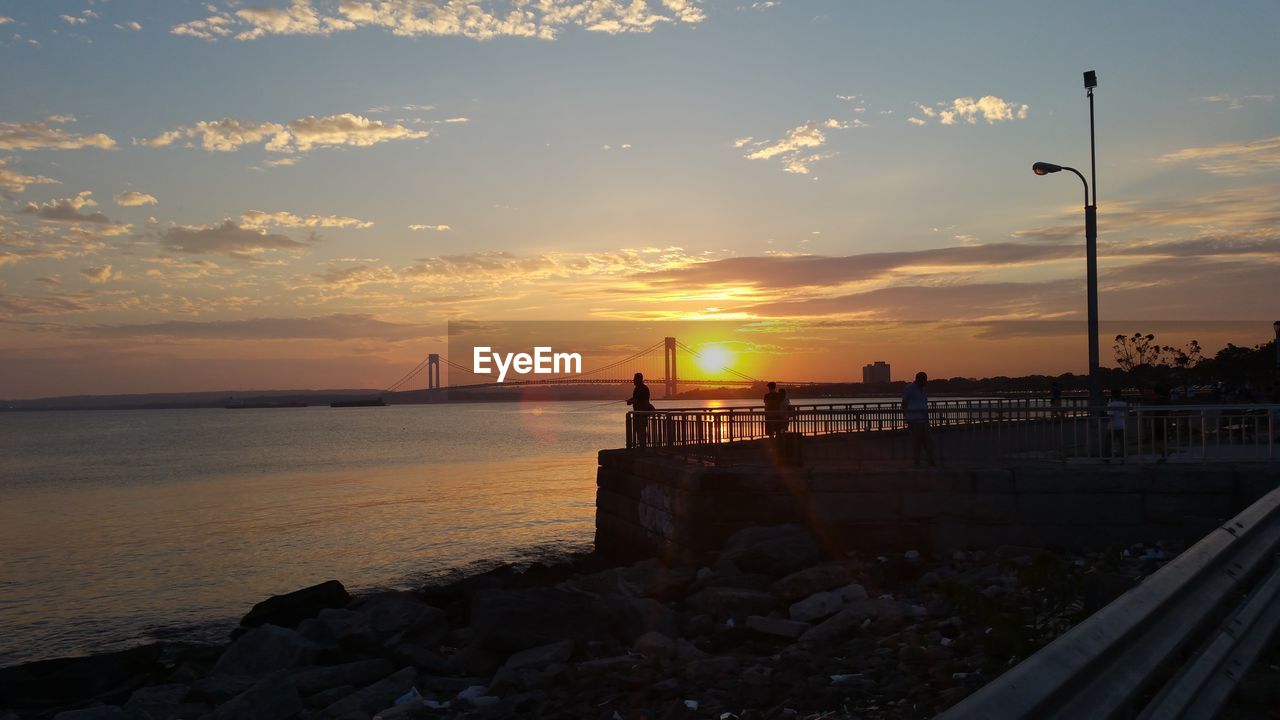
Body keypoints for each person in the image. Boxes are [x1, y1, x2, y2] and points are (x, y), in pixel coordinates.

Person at [902, 371, 935, 468]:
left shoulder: (923, 389)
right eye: (924, 379)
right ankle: (917, 463)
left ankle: (930, 462)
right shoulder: (910, 388)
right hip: (914, 421)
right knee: (917, 443)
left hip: (924, 420)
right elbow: (904, 402)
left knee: (929, 442)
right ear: (918, 379)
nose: (926, 381)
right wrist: (906, 417)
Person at [626, 372, 655, 448]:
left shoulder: (640, 389)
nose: (633, 380)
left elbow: (640, 401)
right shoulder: (643, 388)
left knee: (640, 431)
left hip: (640, 415)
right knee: (640, 431)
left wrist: (631, 401)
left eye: (634, 379)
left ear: (639, 379)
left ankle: (642, 446)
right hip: (640, 414)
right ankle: (642, 446)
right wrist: (631, 400)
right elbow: (638, 399)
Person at [1106, 388, 1128, 458]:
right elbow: (1126, 414)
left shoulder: (1111, 405)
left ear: (1112, 395)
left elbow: (1110, 416)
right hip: (1122, 425)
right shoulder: (1124, 404)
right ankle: (1123, 457)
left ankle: (1107, 458)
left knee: (1108, 443)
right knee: (1122, 444)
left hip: (1112, 426)